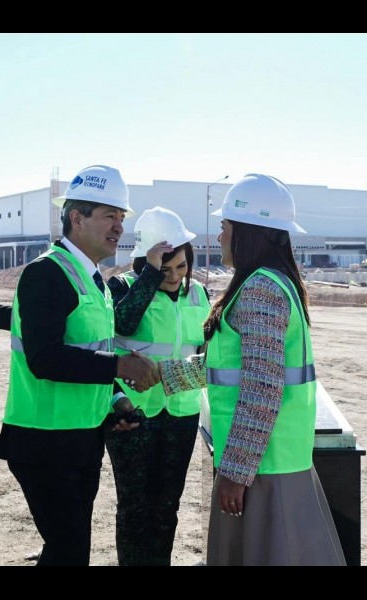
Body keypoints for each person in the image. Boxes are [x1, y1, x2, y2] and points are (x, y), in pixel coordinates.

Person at [158, 173, 346, 566]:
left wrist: (235, 473)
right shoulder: (273, 283)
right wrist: (162, 374)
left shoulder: (261, 289)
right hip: (273, 462)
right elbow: (231, 367)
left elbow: (261, 388)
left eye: (225, 226)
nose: (219, 236)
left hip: (264, 470)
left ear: (247, 231)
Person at [0, 164, 160, 566]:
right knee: (68, 551)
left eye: (121, 217)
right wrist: (120, 367)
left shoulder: (94, 280)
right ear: (76, 218)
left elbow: (88, 354)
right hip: (44, 440)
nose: (119, 227)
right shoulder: (46, 273)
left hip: (82, 437)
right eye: (109, 215)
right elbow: (44, 358)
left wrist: (115, 401)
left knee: (69, 551)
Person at [106, 206, 211, 566]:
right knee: (134, 508)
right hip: (133, 414)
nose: (175, 277)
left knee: (167, 506)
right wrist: (149, 277)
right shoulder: (122, 287)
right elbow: (123, 324)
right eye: (165, 270)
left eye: (181, 267)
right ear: (145, 262)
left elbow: (205, 349)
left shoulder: (198, 294)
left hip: (181, 413)